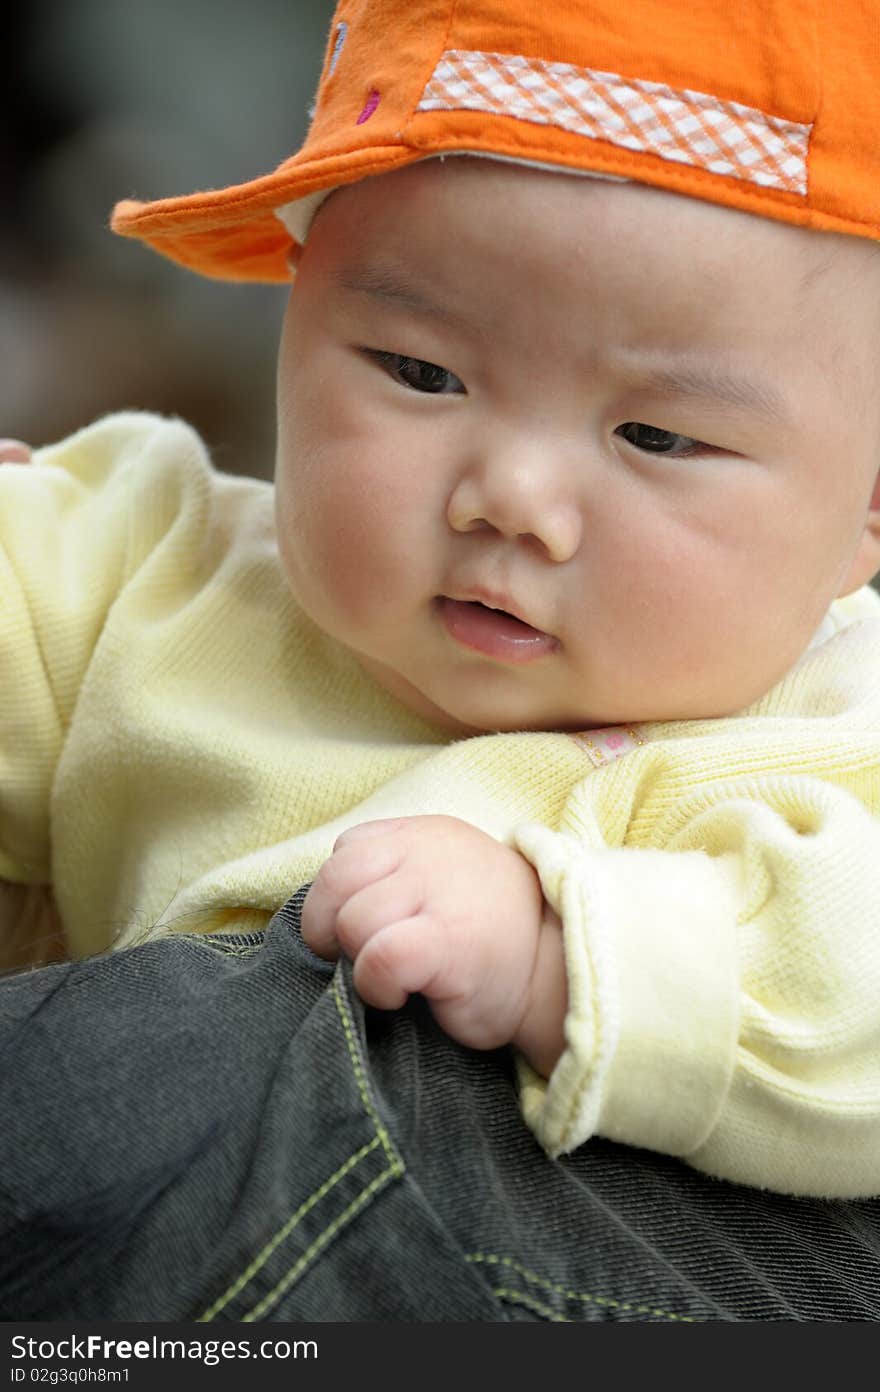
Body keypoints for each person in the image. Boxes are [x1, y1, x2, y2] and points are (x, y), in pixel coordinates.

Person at [2, 0, 880, 1223]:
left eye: (657, 436)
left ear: (866, 513)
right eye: (421, 373)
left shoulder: (834, 730)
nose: (513, 500)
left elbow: (857, 1006)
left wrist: (560, 958)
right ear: (294, 326)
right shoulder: (150, 563)